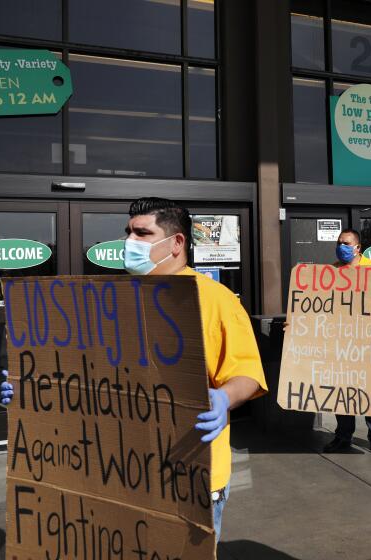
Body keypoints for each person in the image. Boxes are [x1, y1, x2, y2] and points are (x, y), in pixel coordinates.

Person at [124, 197, 268, 541]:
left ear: (176, 243)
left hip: (191, 472)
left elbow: (248, 374)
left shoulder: (215, 300)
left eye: (142, 233)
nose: (129, 242)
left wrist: (223, 397)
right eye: (128, 232)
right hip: (128, 470)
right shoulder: (117, 297)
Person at [322, 228, 371, 455]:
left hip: (370, 342)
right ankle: (343, 436)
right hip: (341, 343)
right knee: (343, 389)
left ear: (358, 247)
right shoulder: (330, 273)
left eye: (346, 243)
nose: (341, 246)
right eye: (339, 242)